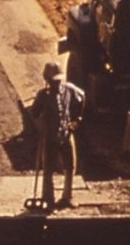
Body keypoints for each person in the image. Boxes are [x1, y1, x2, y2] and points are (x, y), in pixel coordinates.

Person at [31, 61, 85, 210]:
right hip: (50, 136)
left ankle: (67, 197)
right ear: (47, 80)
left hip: (66, 134)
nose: (57, 83)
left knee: (70, 165)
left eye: (59, 80)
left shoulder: (69, 90)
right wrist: (40, 122)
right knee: (48, 168)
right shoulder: (43, 95)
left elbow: (83, 97)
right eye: (54, 81)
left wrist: (77, 120)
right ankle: (48, 199)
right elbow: (34, 113)